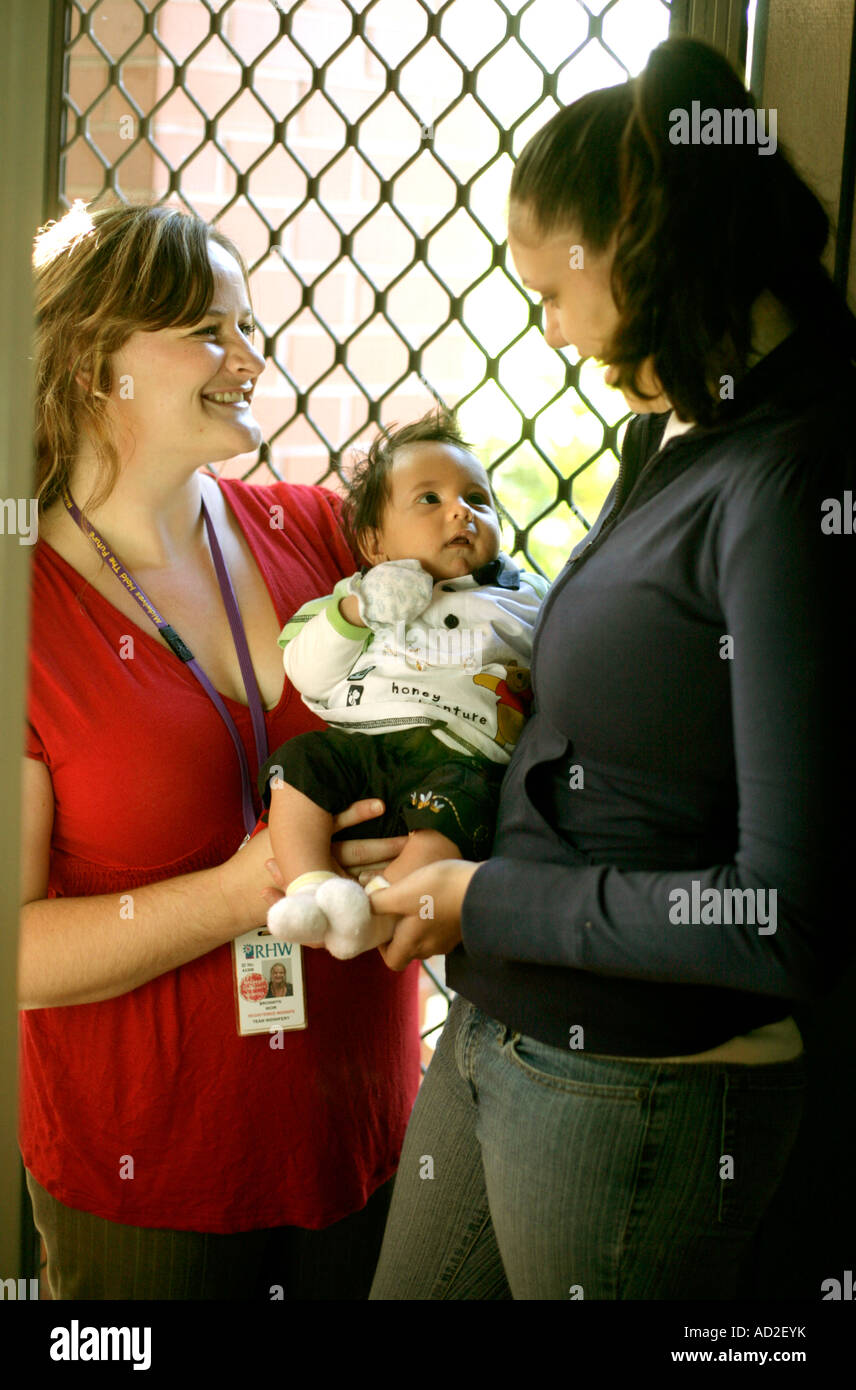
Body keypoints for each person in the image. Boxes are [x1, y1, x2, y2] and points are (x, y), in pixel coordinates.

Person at [366, 36, 856, 1299]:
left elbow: (779, 916)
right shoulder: (684, 433)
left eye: (551, 288)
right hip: (505, 1035)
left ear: (642, 254)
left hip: (639, 1095)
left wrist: (482, 898)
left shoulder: (795, 478)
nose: (547, 328)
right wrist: (442, 835)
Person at [21, 200, 421, 1300]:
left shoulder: (324, 534)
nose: (251, 356)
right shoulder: (26, 614)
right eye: (210, 329)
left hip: (367, 1134)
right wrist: (247, 889)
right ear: (99, 359)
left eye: (247, 325)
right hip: (153, 1183)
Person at [260, 409, 546, 960]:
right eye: (429, 500)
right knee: (296, 766)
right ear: (374, 543)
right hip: (362, 744)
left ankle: (375, 914)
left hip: (461, 757)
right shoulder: (358, 594)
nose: (461, 511)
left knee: (453, 820)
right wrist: (356, 610)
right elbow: (306, 671)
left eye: (478, 500)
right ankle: (311, 889)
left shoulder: (525, 596)